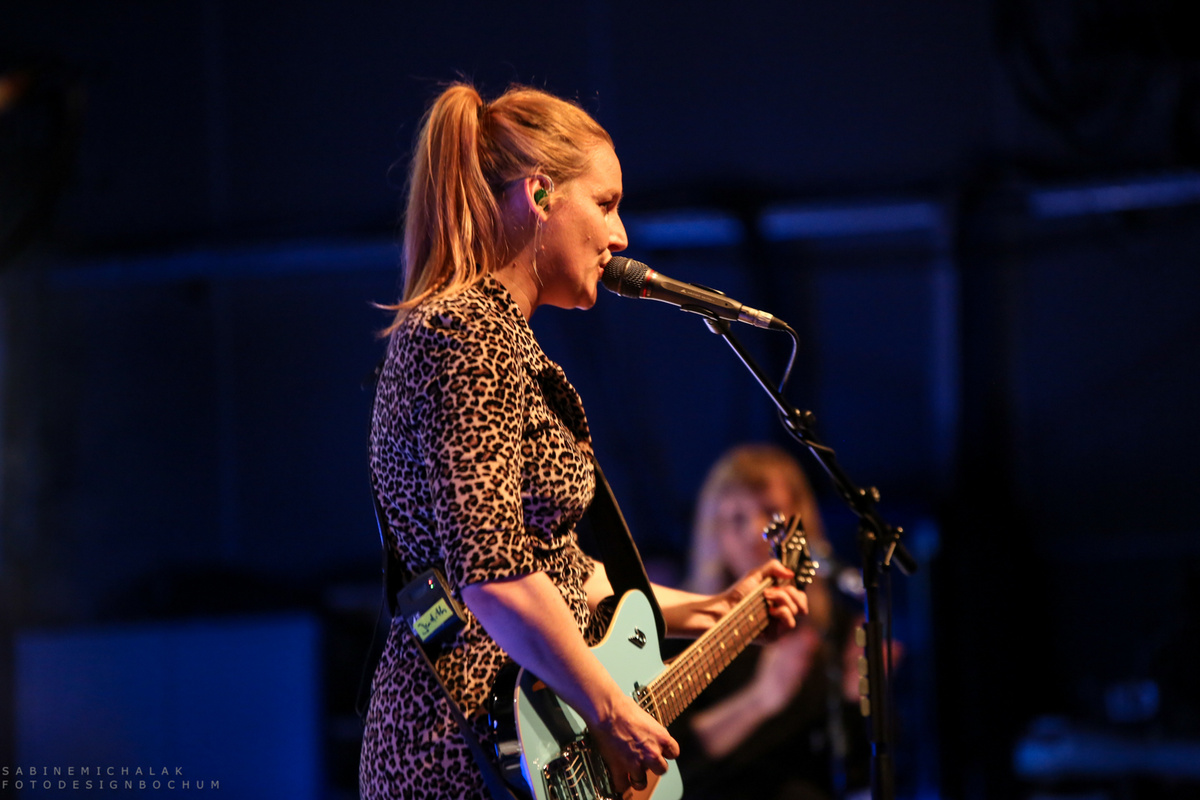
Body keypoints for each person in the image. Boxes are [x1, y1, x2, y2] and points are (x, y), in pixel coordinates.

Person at [359, 82, 809, 800]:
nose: (621, 236)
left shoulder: (499, 338)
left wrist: (720, 610)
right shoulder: (465, 332)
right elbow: (493, 573)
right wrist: (608, 710)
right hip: (472, 746)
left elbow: (562, 575)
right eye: (605, 203)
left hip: (526, 734)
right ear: (539, 195)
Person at [671, 443, 875, 800]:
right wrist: (760, 698)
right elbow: (669, 760)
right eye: (737, 518)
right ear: (715, 533)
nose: (755, 532)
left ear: (800, 521)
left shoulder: (835, 627)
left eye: (771, 513)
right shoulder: (684, 629)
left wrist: (856, 698)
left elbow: (856, 773)